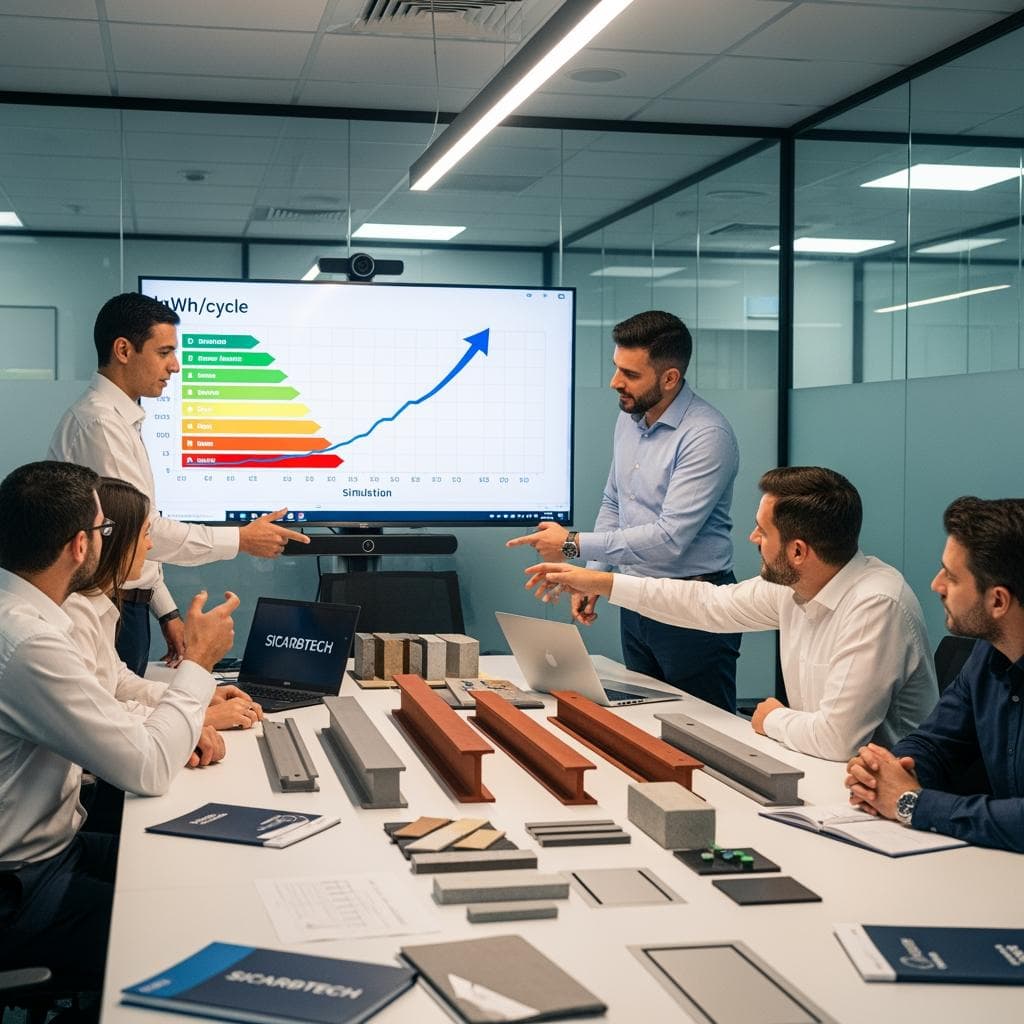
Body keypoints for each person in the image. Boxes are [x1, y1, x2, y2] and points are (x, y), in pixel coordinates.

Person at [0, 461, 237, 993]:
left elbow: (111, 706)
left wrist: (189, 701)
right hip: (23, 893)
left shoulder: (25, 620)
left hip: (54, 852)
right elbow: (146, 767)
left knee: (199, 870)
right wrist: (198, 664)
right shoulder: (28, 643)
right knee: (198, 923)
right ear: (80, 546)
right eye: (104, 529)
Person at [522, 466, 939, 762]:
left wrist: (770, 717)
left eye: (763, 531)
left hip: (873, 801)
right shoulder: (799, 584)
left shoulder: (875, 605)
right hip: (814, 769)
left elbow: (837, 740)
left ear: (798, 551)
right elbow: (708, 605)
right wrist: (601, 583)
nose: (752, 537)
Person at [48, 292, 309, 675]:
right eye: (164, 352)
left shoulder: (118, 420)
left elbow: (138, 536)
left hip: (127, 605)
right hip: (112, 607)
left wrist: (165, 610)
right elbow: (141, 532)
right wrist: (240, 539)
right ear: (123, 350)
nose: (176, 366)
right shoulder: (100, 425)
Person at [507, 310, 741, 711]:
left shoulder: (706, 435)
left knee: (705, 728)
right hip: (635, 598)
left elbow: (669, 538)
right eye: (617, 368)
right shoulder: (630, 419)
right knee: (646, 722)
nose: (615, 382)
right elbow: (615, 502)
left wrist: (571, 545)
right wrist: (594, 577)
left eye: (630, 374)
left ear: (670, 378)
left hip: (693, 604)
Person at [845, 496, 1024, 852]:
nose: (936, 585)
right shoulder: (988, 653)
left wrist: (913, 803)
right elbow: (935, 743)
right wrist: (885, 774)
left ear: (998, 601)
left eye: (952, 577)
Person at [65, 476, 264, 731]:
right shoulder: (74, 616)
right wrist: (200, 669)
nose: (150, 545)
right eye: (145, 534)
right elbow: (100, 720)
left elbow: (118, 683)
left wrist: (201, 698)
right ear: (116, 541)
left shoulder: (96, 606)